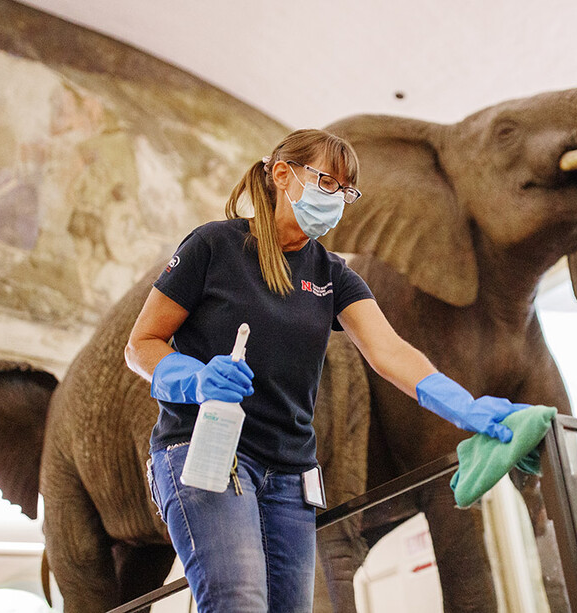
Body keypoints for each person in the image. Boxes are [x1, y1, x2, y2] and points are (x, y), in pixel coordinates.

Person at [124, 128, 527, 612]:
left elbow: (390, 352)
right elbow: (140, 344)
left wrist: (463, 405)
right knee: (239, 602)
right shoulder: (213, 247)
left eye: (346, 191)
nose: (336, 199)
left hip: (292, 474)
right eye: (327, 183)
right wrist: (192, 378)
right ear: (282, 174)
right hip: (207, 450)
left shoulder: (332, 275)